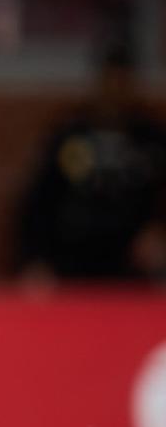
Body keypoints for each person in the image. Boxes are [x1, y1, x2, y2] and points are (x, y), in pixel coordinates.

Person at [15, 46, 166, 282]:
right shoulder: (70, 135)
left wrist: (159, 232)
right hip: (72, 260)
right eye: (110, 82)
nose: (115, 91)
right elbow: (37, 201)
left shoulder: (151, 140)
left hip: (132, 265)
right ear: (99, 83)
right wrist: (35, 259)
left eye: (122, 83)